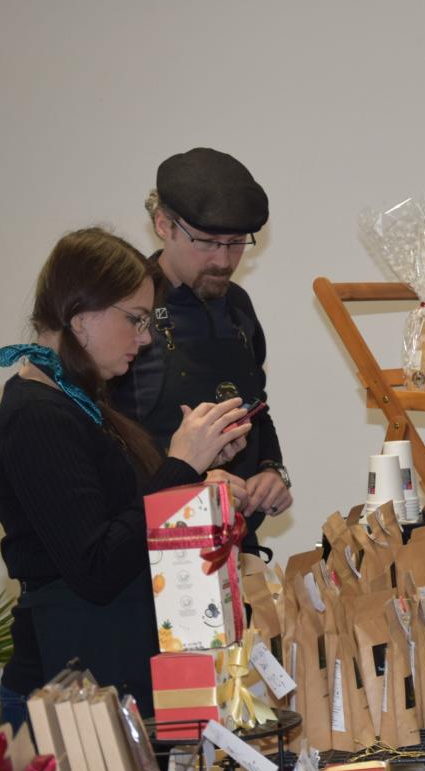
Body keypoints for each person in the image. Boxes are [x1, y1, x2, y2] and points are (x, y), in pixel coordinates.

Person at [0, 228, 252, 726]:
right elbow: (97, 567)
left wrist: (196, 482)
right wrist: (180, 466)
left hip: (107, 675)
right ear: (81, 316)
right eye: (135, 319)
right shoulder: (36, 416)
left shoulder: (79, 403)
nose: (145, 338)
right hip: (68, 696)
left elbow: (127, 515)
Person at [110, 147, 292, 554]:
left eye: (236, 243)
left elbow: (257, 410)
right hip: (150, 554)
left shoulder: (238, 307)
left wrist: (271, 470)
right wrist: (188, 483)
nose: (223, 260)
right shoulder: (125, 310)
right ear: (163, 224)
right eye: (207, 242)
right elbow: (104, 443)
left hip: (235, 544)